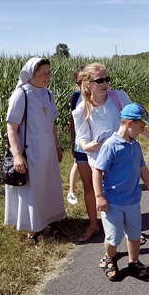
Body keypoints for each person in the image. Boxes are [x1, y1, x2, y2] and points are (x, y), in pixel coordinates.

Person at [72, 62, 149, 243]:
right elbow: (81, 137)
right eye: (100, 80)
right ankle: (112, 240)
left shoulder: (118, 98)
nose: (105, 83)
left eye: (107, 79)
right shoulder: (82, 109)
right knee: (109, 200)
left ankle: (131, 231)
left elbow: (135, 120)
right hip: (101, 161)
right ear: (88, 83)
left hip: (123, 157)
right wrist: (86, 146)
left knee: (127, 193)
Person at [93, 103, 149, 281]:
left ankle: (133, 261)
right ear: (129, 124)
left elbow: (143, 169)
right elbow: (97, 170)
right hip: (112, 202)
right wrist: (99, 196)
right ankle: (109, 258)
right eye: (141, 126)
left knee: (135, 235)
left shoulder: (135, 146)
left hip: (132, 201)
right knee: (114, 238)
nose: (143, 129)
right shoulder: (111, 146)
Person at [4, 57, 66, 244]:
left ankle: (48, 220)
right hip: (30, 148)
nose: (48, 76)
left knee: (48, 184)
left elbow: (52, 124)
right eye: (44, 73)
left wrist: (56, 146)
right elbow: (11, 128)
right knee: (32, 189)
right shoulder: (21, 94)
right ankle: (32, 230)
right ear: (32, 74)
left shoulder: (48, 94)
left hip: (47, 146)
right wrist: (17, 155)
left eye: (49, 72)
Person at [67, 66, 86, 205]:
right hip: (81, 142)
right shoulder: (75, 97)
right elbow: (73, 121)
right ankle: (71, 190)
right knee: (77, 164)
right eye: (80, 82)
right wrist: (73, 142)